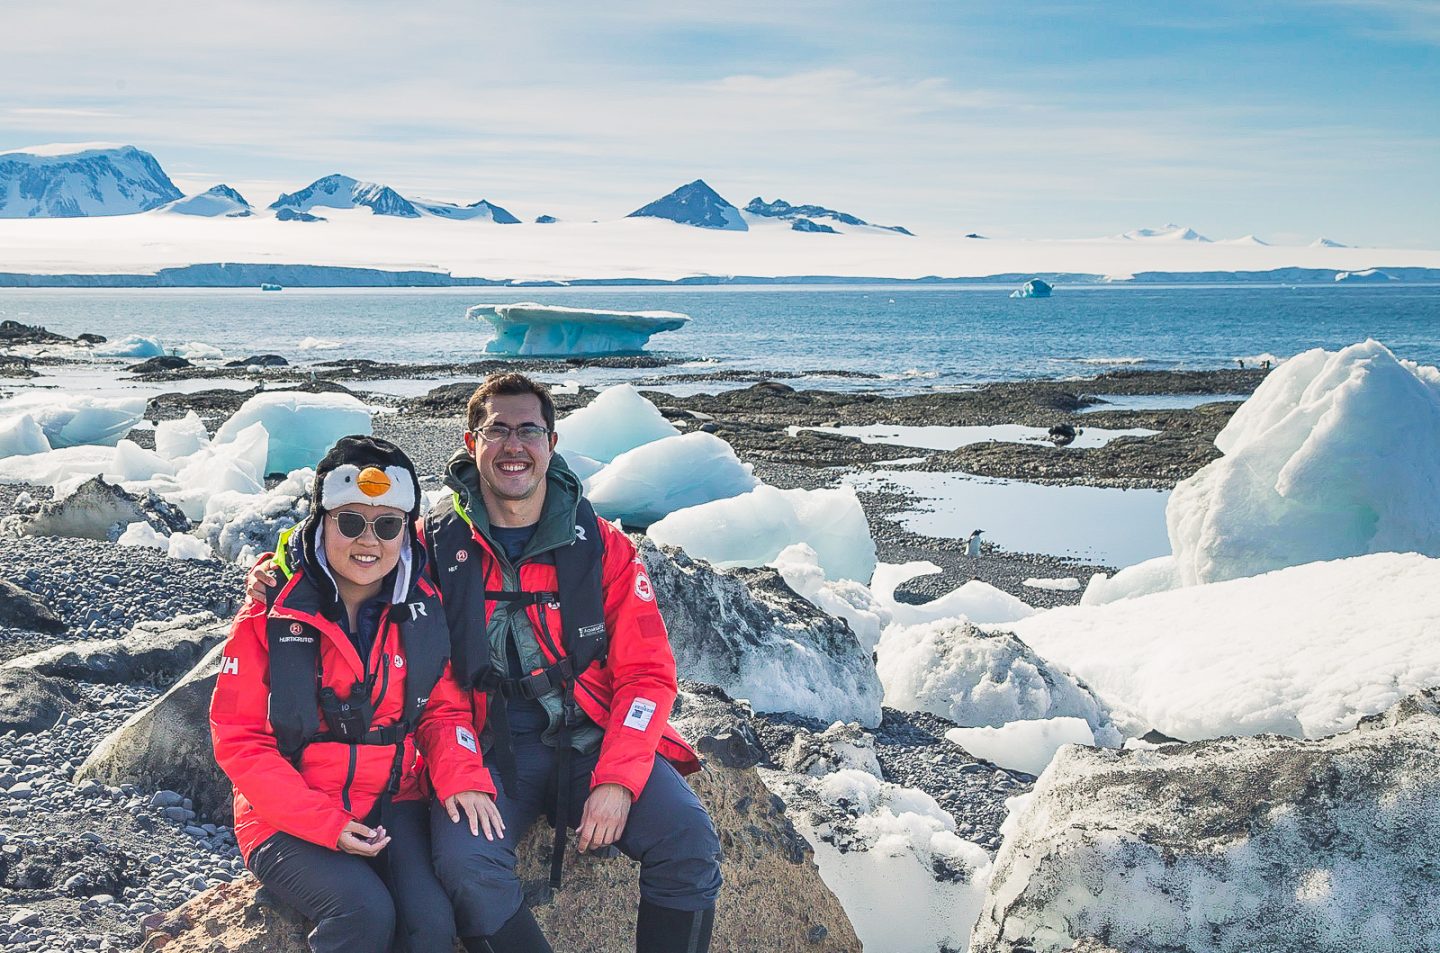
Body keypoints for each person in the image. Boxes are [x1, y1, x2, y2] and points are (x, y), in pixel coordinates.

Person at [422, 373, 722, 953]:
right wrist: (275, 573)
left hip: (588, 740)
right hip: (487, 750)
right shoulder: (431, 547)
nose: (515, 445)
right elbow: (348, 563)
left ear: (551, 443)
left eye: (529, 430)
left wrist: (618, 778)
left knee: (687, 840)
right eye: (498, 430)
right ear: (470, 443)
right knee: (466, 869)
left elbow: (646, 674)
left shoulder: (601, 545)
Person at [213, 435, 502, 953]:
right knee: (362, 913)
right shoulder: (271, 612)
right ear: (321, 521)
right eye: (350, 521)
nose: (369, 540)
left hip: (394, 801)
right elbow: (240, 741)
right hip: (286, 816)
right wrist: (326, 824)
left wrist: (464, 777)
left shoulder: (422, 610)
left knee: (431, 926)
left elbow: (443, 710)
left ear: (404, 534)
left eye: (388, 524)